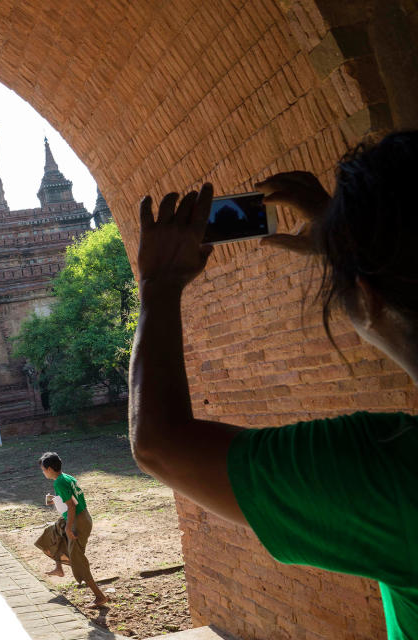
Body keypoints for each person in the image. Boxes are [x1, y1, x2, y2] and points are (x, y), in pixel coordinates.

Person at [129, 131, 418, 639]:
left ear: (366, 299)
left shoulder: (392, 471)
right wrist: (349, 250)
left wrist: (158, 284)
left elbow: (160, 445)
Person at [34, 451, 109, 608]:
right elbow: (72, 500)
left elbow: (71, 506)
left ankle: (99, 596)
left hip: (78, 521)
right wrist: (54, 501)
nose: (43, 472)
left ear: (48, 469)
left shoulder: (59, 482)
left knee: (77, 558)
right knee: (54, 532)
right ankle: (59, 567)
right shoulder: (67, 477)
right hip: (81, 517)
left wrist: (69, 528)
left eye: (42, 469)